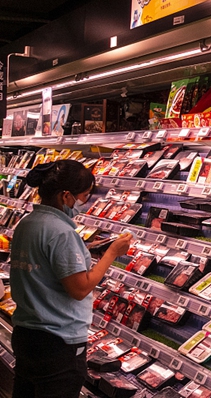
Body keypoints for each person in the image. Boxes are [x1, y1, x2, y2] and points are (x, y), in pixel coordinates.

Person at [9, 160, 132, 398]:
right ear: (66, 196)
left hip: (26, 334)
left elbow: (45, 258)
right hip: (57, 342)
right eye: (84, 196)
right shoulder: (62, 232)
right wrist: (112, 253)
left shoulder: (27, 223)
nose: (84, 203)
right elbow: (80, 289)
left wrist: (84, 248)